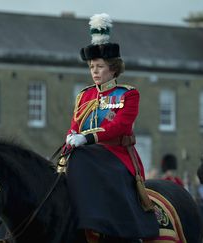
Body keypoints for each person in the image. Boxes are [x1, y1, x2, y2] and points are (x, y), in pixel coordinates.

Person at [63, 13, 158, 243]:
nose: (94, 71)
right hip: (85, 154)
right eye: (92, 66)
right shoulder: (84, 95)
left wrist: (87, 139)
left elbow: (119, 126)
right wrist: (71, 138)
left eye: (100, 66)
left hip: (117, 156)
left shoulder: (128, 94)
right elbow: (74, 125)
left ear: (113, 69)